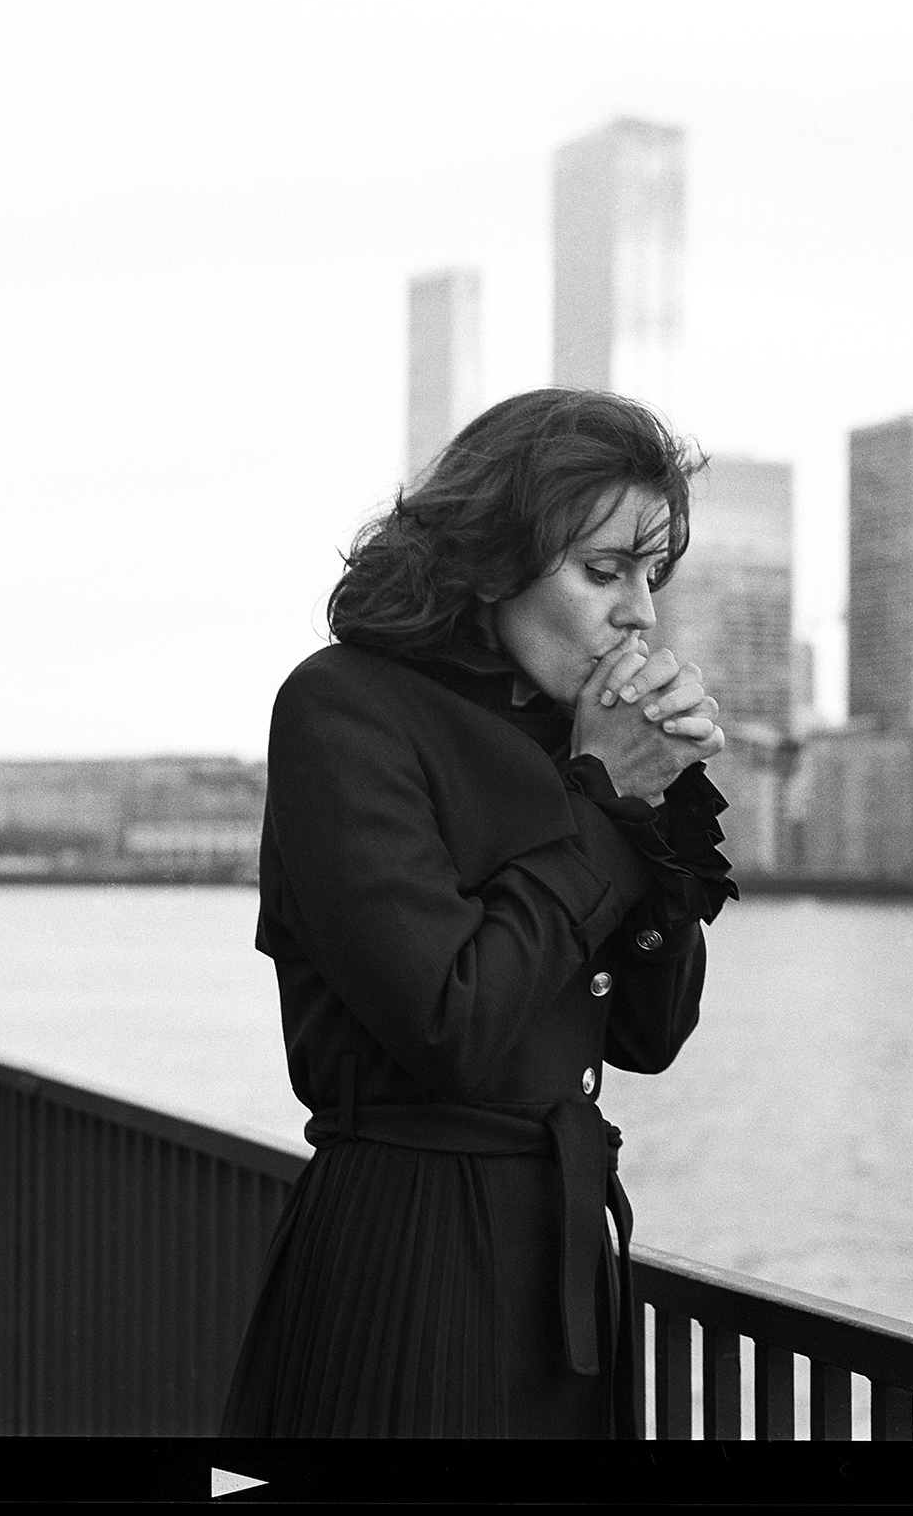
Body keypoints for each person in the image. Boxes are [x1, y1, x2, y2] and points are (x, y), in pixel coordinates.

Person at [220, 388, 737, 1439]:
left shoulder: (572, 733)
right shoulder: (343, 708)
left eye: (651, 575)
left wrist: (652, 801)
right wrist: (599, 795)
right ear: (493, 559)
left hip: (562, 1262)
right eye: (603, 571)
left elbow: (648, 1032)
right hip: (407, 1248)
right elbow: (451, 1019)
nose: (639, 610)